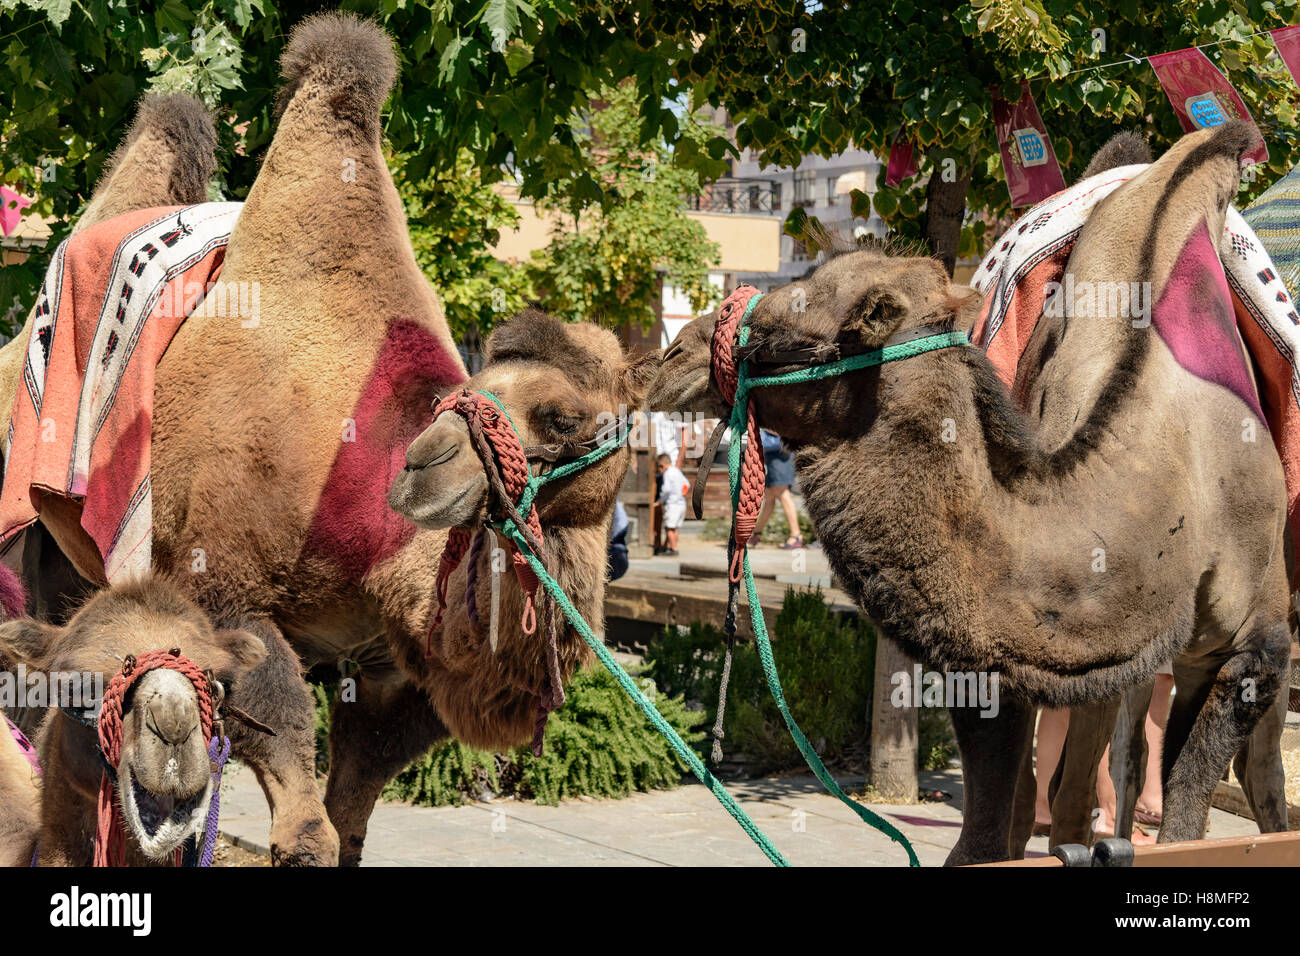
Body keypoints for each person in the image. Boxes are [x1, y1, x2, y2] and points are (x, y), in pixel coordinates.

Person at [751, 428, 802, 549]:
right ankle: (757, 533)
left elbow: (783, 428)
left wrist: (762, 426)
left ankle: (796, 535)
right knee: (769, 498)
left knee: (783, 494)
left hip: (780, 456)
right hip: (774, 456)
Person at [656, 453, 688, 556]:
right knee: (675, 528)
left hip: (672, 504)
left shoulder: (668, 473)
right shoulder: (677, 471)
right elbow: (687, 484)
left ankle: (673, 549)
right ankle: (670, 547)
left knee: (669, 528)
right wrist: (680, 494)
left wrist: (659, 501)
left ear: (662, 465)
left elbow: (666, 489)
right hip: (681, 503)